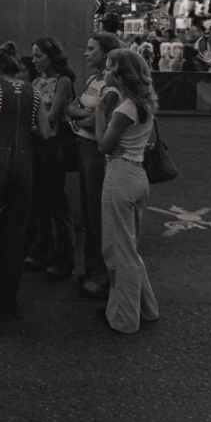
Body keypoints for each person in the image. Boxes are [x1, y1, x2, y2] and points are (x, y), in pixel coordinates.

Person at [0, 42, 51, 326]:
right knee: (15, 238)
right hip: (23, 165)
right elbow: (46, 131)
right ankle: (7, 303)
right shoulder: (34, 91)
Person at [94, 48, 160, 335]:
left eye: (108, 67)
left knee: (118, 250)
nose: (104, 72)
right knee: (129, 247)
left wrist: (98, 112)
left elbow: (103, 145)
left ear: (119, 74)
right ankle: (145, 307)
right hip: (138, 174)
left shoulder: (122, 110)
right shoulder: (142, 103)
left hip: (120, 174)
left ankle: (124, 318)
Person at [64, 31, 124, 299]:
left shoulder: (110, 86)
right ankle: (90, 269)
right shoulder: (92, 80)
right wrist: (82, 115)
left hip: (96, 152)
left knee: (98, 215)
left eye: (91, 49)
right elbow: (72, 107)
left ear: (106, 54)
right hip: (83, 147)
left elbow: (92, 120)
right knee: (89, 214)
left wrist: (79, 116)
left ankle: (101, 275)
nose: (86, 53)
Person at [26, 36, 77, 279]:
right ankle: (42, 249)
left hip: (53, 145)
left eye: (39, 56)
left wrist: (34, 120)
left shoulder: (63, 81)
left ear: (52, 57)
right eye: (33, 56)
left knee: (56, 200)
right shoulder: (36, 81)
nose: (34, 60)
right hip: (35, 143)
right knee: (38, 199)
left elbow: (52, 115)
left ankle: (63, 256)